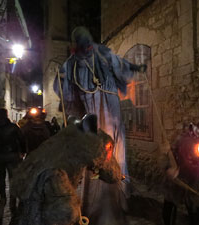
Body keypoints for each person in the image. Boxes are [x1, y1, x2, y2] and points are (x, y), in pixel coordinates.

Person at [53, 26, 146, 225]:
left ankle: (118, 195)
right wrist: (61, 81)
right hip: (92, 115)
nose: (87, 47)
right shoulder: (71, 65)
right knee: (97, 152)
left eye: (88, 42)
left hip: (112, 111)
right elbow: (64, 90)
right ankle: (94, 201)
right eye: (82, 43)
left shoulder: (102, 55)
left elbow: (121, 65)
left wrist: (136, 69)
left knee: (116, 150)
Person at [0, 108, 26, 214]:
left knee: (1, 178)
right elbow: (21, 139)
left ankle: (3, 198)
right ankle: (12, 200)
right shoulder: (13, 127)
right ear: (6, 115)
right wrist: (23, 151)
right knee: (13, 178)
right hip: (12, 155)